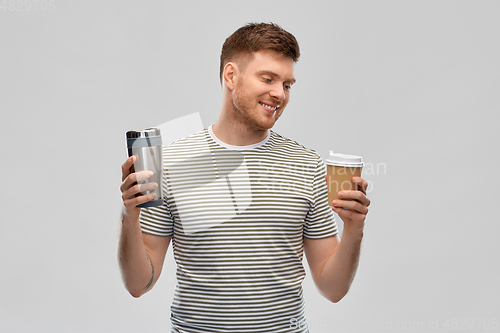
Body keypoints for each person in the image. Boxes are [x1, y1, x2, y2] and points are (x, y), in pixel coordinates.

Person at [119, 22, 370, 332]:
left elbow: (333, 290)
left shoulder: (307, 165)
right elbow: (139, 284)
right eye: (268, 78)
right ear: (231, 75)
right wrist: (129, 216)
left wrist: (354, 229)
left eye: (288, 84)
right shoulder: (174, 160)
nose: (279, 94)